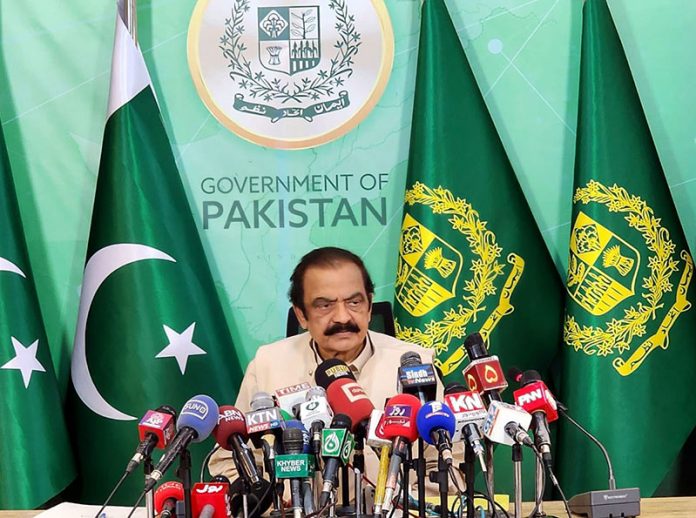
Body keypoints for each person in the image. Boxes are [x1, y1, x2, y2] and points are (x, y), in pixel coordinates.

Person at [208, 247, 454, 504]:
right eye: (325, 305)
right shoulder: (268, 364)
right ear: (302, 315)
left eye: (354, 302)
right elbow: (229, 458)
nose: (342, 317)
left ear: (370, 306)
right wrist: (276, 501)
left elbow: (451, 459)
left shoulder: (416, 367)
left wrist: (404, 505)